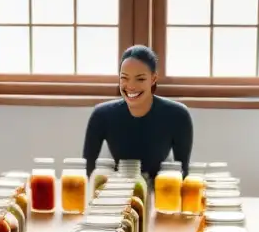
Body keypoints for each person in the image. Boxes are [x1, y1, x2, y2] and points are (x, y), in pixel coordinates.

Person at [81, 45, 193, 179]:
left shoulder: (178, 115)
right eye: (124, 78)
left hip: (162, 189)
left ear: (153, 79)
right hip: (120, 190)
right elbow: (86, 170)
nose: (131, 86)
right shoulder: (102, 114)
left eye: (140, 79)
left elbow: (183, 172)